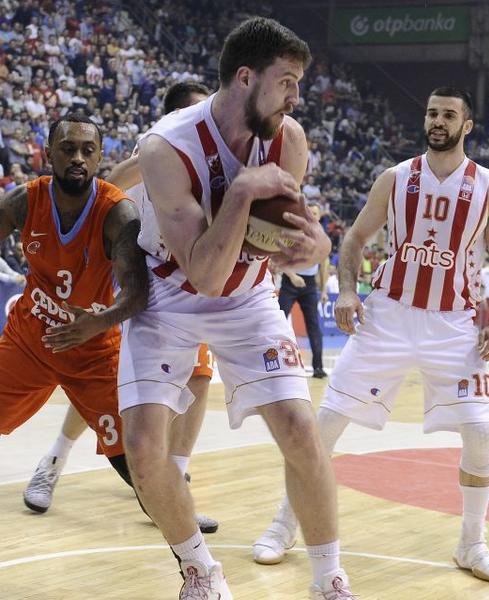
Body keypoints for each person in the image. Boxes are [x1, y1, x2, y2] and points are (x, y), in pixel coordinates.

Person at [125, 17, 355, 600]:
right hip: (170, 294)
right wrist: (245, 190)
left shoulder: (289, 139)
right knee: (145, 451)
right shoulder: (165, 148)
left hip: (249, 292)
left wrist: (314, 244)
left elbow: (293, 234)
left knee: (301, 430)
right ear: (246, 77)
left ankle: (329, 579)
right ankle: (200, 571)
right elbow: (203, 274)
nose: (296, 97)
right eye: (287, 82)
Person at [253, 87, 489, 585]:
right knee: (325, 423)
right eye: (432, 112)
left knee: (482, 432)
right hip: (388, 315)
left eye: (449, 115)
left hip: (453, 324)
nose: (438, 121)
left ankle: (472, 542)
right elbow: (354, 239)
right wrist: (348, 291)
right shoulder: (395, 178)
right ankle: (284, 525)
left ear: (467, 125)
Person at [21, 81, 219, 534]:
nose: (206, 117)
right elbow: (104, 187)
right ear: (175, 117)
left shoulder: (214, 156)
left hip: (187, 283)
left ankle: (174, 485)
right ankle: (53, 461)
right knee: (104, 375)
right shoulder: (154, 147)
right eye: (197, 111)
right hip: (138, 277)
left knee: (201, 375)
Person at [0, 113, 149, 507]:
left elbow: (137, 293)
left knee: (132, 457)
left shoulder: (118, 213)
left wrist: (98, 322)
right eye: (67, 149)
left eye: (87, 150)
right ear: (49, 154)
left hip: (93, 348)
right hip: (29, 341)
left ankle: (176, 516)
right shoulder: (24, 200)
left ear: (99, 157)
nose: (78, 158)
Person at [278, 202, 329, 378]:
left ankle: (318, 367)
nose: (312, 216)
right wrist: (292, 276)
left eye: (315, 213)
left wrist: (323, 290)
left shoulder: (322, 238)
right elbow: (279, 256)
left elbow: (324, 266)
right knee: (277, 320)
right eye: (310, 212)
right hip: (290, 281)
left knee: (313, 325)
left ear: (319, 217)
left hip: (309, 285)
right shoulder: (294, 232)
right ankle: (272, 361)